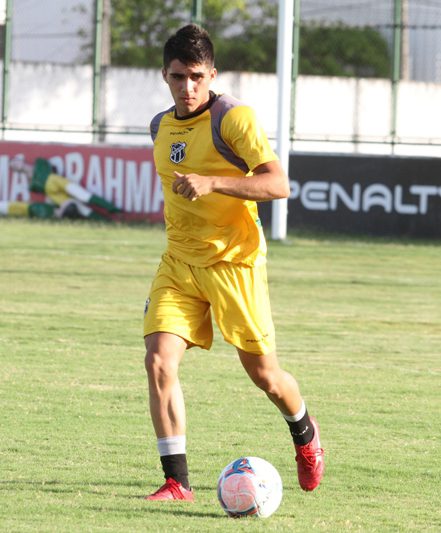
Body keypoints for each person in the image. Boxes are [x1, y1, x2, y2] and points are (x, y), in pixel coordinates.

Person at [143, 24, 324, 502]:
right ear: (165, 75)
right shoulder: (160, 126)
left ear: (212, 74)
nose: (188, 87)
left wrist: (214, 182)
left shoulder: (233, 118)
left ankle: (305, 434)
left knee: (266, 376)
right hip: (179, 264)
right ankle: (177, 481)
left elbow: (278, 184)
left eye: (197, 76)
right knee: (159, 362)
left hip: (234, 264)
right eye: (179, 77)